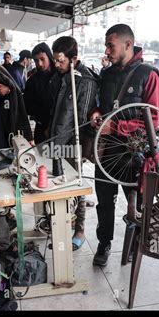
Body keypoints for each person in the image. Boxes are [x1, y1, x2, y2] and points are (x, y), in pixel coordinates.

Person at [89, 24, 159, 267]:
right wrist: (96, 113)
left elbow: (152, 120)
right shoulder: (107, 75)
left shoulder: (148, 75)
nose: (107, 50)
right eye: (106, 46)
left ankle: (133, 245)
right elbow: (99, 103)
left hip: (135, 153)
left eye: (110, 45)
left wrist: (116, 127)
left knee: (136, 204)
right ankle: (104, 243)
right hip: (107, 152)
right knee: (104, 202)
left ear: (127, 45)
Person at [49, 36, 98, 251]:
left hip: (73, 143)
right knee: (60, 186)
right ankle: (62, 225)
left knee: (76, 186)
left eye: (60, 60)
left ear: (73, 58)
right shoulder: (64, 76)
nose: (56, 64)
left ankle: (79, 229)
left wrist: (62, 146)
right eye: (55, 60)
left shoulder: (85, 81)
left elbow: (80, 120)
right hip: (58, 139)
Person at [24, 42, 56, 144]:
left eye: (42, 59)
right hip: (42, 129)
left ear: (50, 57)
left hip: (62, 129)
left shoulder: (61, 76)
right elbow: (27, 107)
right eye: (36, 60)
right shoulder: (32, 81)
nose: (40, 64)